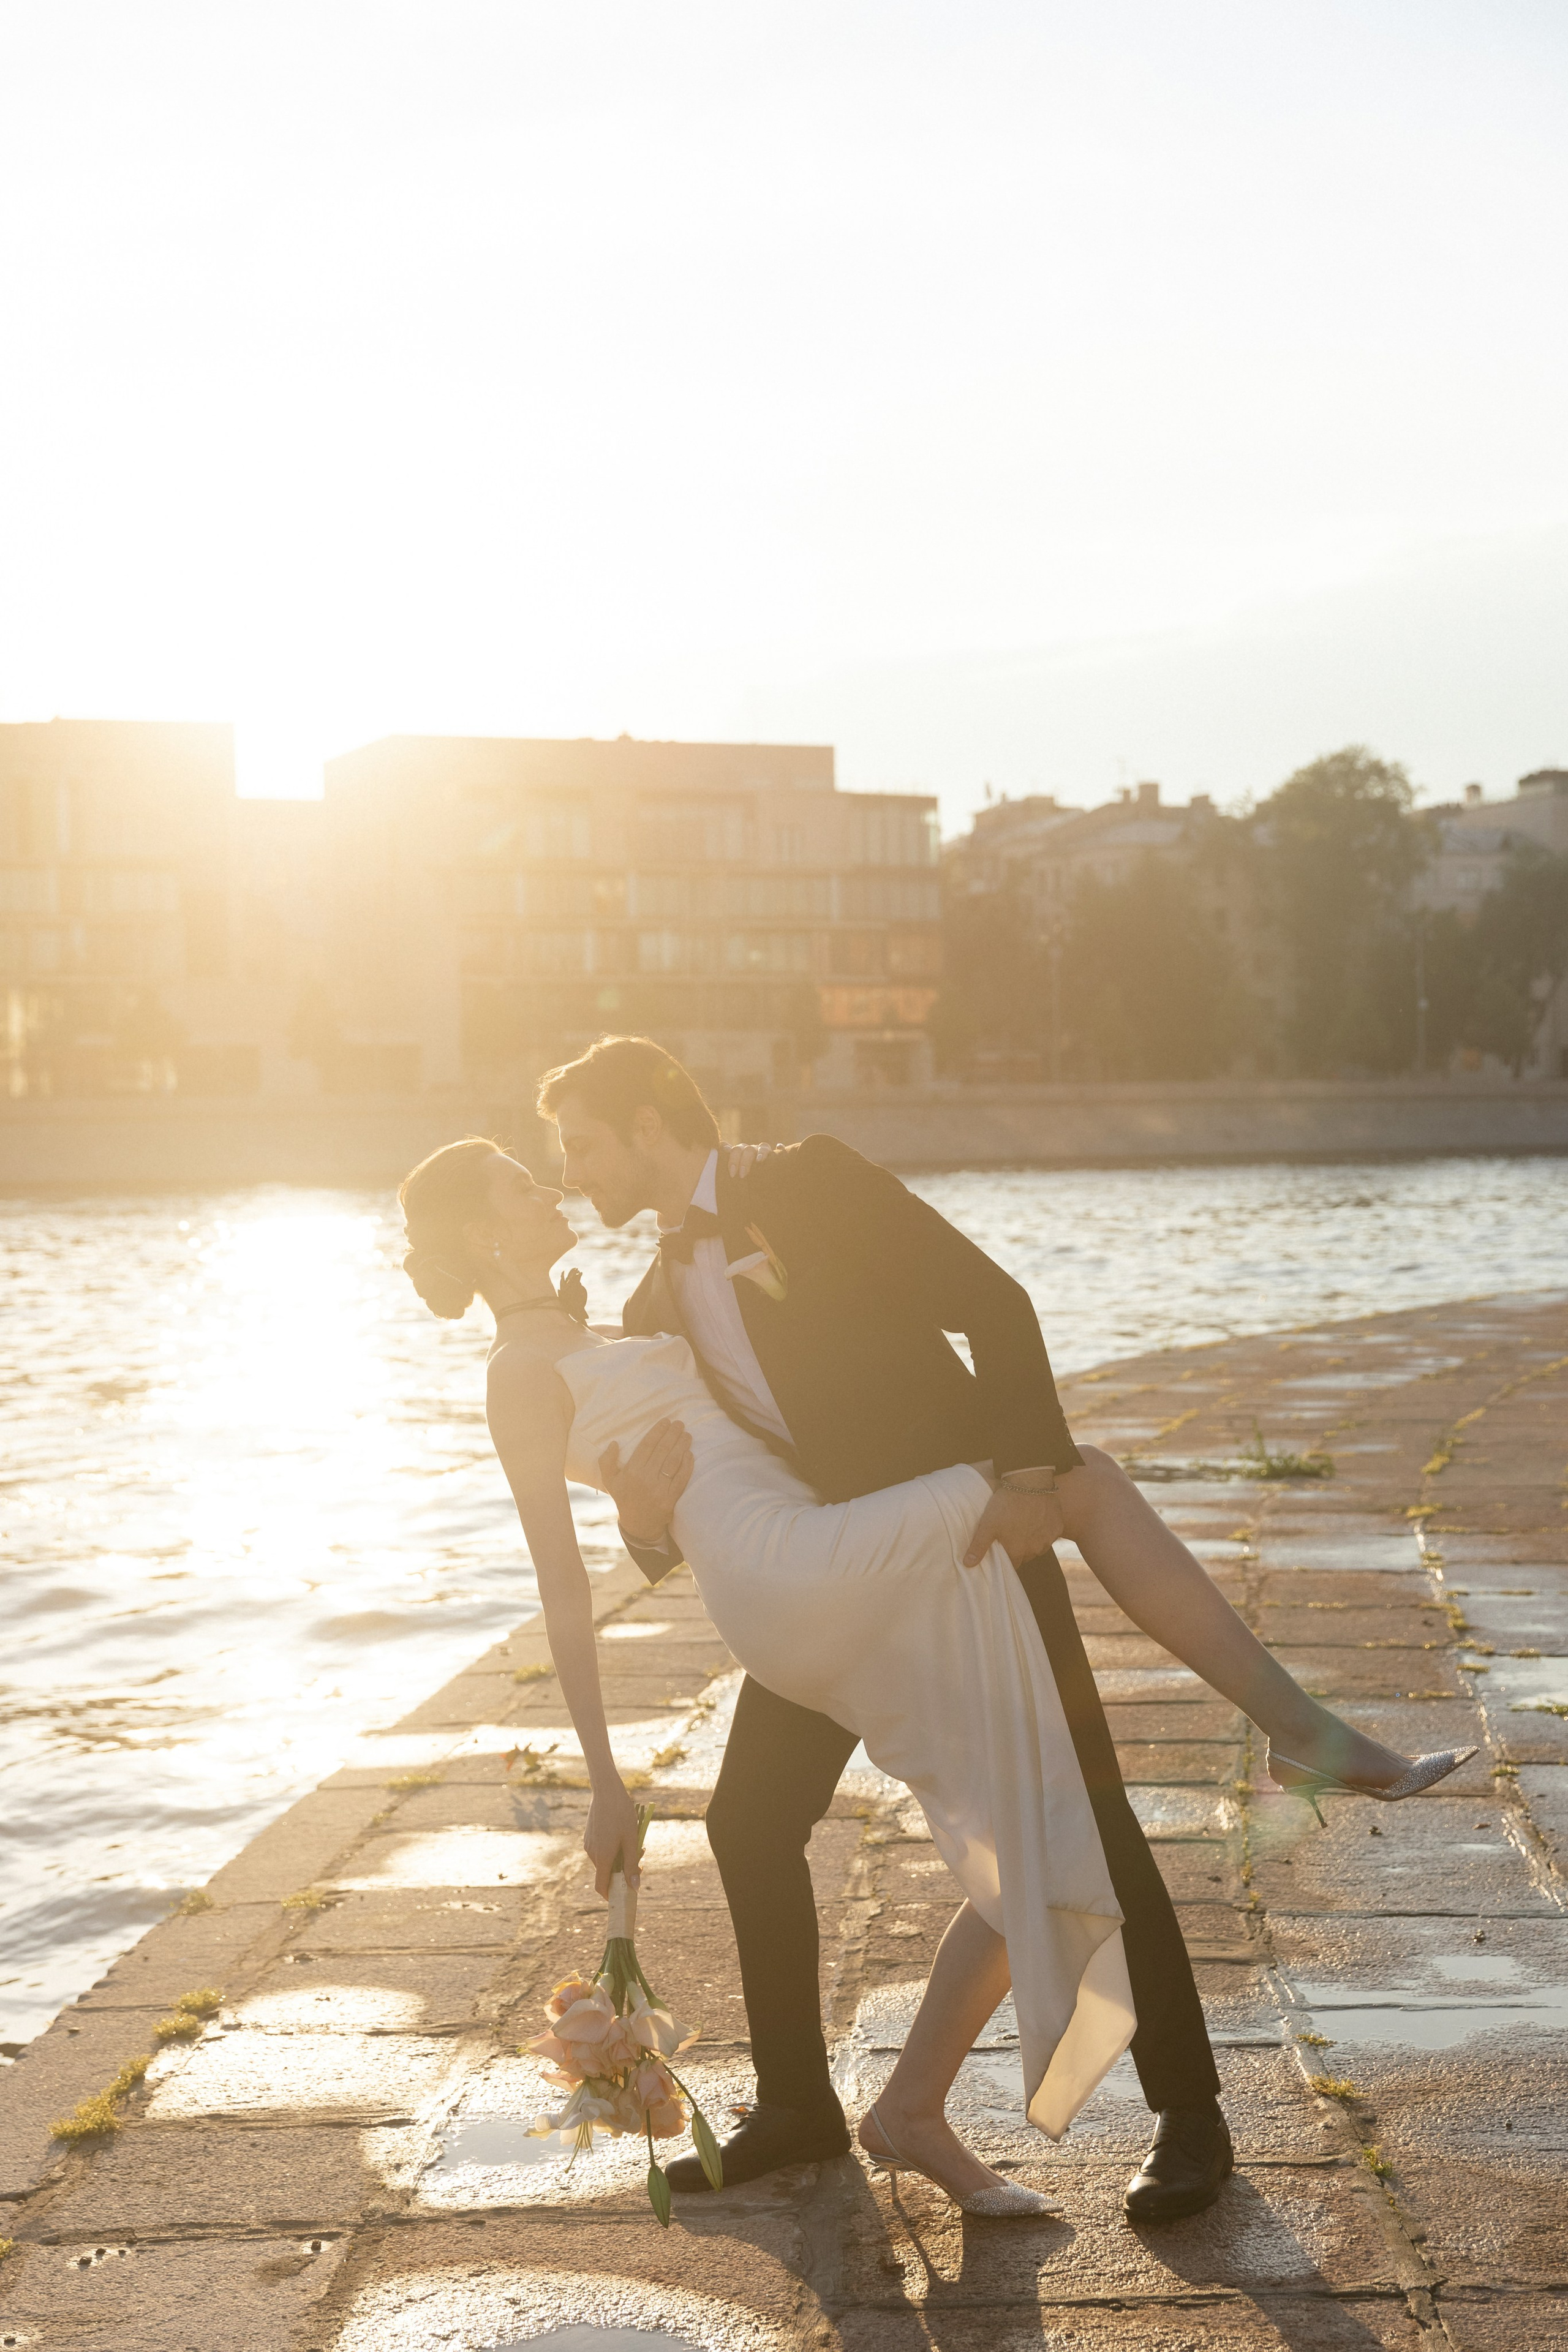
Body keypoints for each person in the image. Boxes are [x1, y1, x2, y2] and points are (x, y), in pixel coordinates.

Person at [399, 1046, 1472, 2222]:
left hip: (962, 1546)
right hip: (835, 1566)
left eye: (581, 1146)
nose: (567, 1175)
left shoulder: (810, 1181)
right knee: (751, 1824)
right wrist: (640, 1513)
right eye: (544, 1166)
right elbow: (685, 1489)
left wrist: (1019, 1476)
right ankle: (802, 2108)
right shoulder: (652, 1306)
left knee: (1088, 1808)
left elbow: (996, 1304)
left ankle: (1188, 2122)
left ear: (652, 1124)